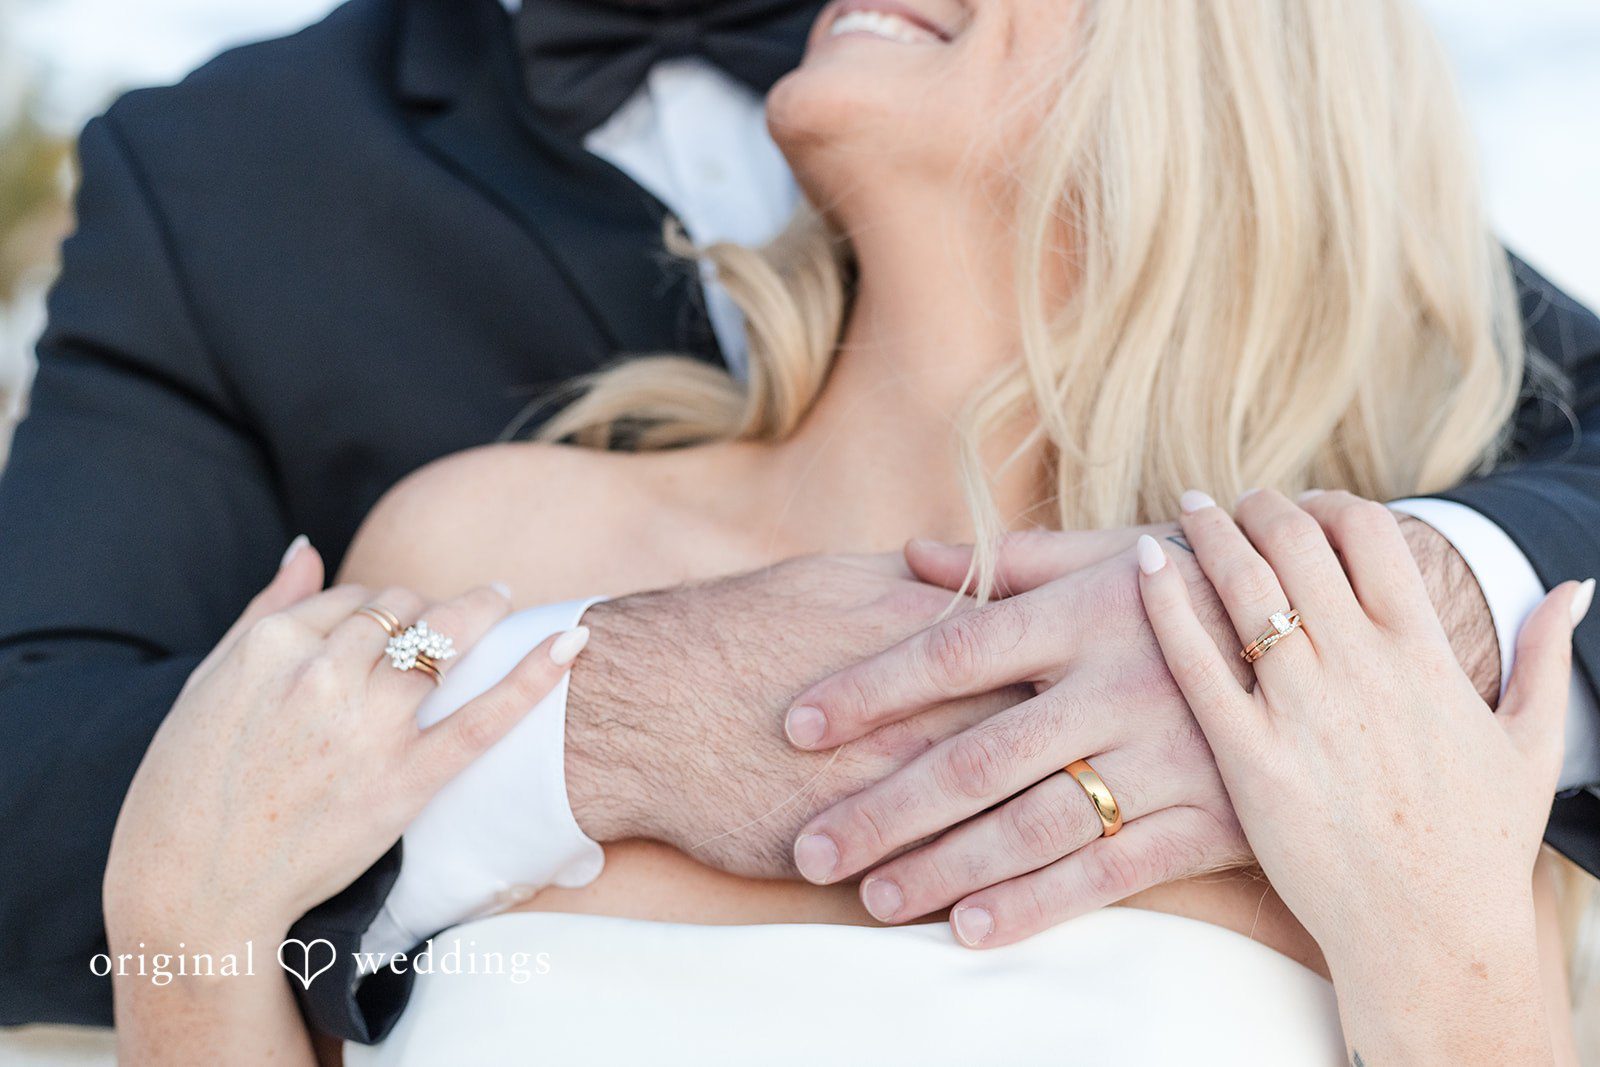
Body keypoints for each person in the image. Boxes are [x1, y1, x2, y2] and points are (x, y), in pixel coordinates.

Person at [2, 0, 1598, 1046]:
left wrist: (1412, 618)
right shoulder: (464, 528)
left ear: (1224, 72)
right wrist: (570, 719)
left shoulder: (1379, 710)